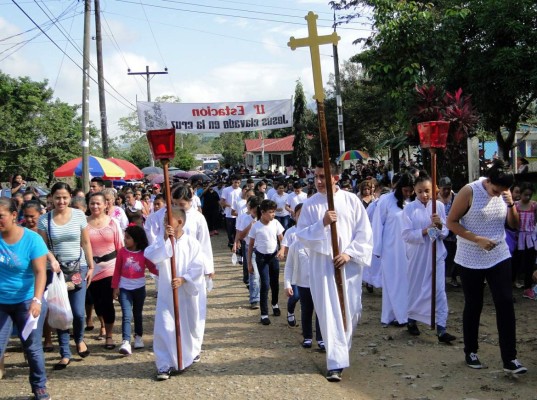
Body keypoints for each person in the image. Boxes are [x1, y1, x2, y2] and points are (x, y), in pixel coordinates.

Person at [447, 160, 527, 374]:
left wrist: (511, 204)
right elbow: (452, 222)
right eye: (495, 190)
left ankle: (510, 358)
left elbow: (514, 225)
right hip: (471, 255)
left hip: (499, 254)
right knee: (474, 304)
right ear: (488, 181)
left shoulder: (505, 194)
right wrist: (477, 239)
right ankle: (471, 350)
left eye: (503, 190)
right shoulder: (469, 191)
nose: (497, 194)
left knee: (505, 302)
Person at [296, 162, 373, 382]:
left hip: (348, 265)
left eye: (323, 177)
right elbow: (301, 236)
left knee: (352, 310)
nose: (319, 181)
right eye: (316, 176)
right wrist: (322, 223)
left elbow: (364, 232)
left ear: (335, 178)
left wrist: (349, 253)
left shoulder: (351, 201)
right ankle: (335, 362)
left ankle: (342, 348)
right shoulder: (310, 205)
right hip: (323, 266)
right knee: (329, 311)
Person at [144, 207, 205, 380]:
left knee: (187, 325)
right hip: (166, 292)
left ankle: (186, 356)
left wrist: (184, 278)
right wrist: (164, 240)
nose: (164, 223)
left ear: (179, 221)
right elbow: (151, 255)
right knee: (164, 325)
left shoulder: (192, 243)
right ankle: (164, 364)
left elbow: (198, 265)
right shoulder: (162, 240)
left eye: (167, 220)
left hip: (185, 293)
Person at [38, 182, 93, 370]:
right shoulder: (44, 220)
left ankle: (79, 339)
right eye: (57, 197)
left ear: (70, 197)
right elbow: (42, 247)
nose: (61, 201)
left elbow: (85, 241)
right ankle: (64, 353)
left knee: (78, 312)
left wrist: (91, 265)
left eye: (64, 197)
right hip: (56, 272)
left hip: (79, 268)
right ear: (51, 198)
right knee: (60, 310)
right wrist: (52, 260)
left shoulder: (78, 215)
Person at [0, 197, 50, 400]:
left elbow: (40, 273)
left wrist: (37, 301)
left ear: (13, 216)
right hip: (2, 302)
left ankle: (40, 388)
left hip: (27, 301)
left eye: (0, 216)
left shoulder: (32, 239)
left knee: (32, 348)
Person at [401, 172, 456, 342]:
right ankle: (412, 319)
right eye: (419, 191)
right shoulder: (409, 209)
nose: (424, 195)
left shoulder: (438, 206)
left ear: (433, 190)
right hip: (418, 255)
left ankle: (441, 327)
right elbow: (407, 234)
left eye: (427, 191)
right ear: (414, 192)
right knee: (417, 288)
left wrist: (439, 226)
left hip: (436, 253)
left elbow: (445, 232)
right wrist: (427, 230)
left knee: (439, 290)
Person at [372, 173, 414, 327]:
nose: (408, 194)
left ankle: (397, 315)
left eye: (410, 191)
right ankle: (397, 316)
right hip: (390, 248)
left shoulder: (412, 202)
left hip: (408, 248)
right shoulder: (386, 201)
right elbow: (378, 224)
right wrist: (377, 248)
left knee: (405, 281)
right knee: (392, 281)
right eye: (405, 191)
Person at [112, 225, 158, 355]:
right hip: (124, 288)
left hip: (139, 288)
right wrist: (115, 287)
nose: (125, 240)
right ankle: (126, 341)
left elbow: (152, 268)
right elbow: (117, 270)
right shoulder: (121, 252)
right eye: (124, 237)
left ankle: (138, 336)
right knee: (127, 315)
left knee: (137, 313)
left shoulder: (144, 253)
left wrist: (165, 273)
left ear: (136, 240)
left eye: (128, 237)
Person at [284, 203, 325, 349]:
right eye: (300, 214)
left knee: (321, 311)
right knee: (306, 310)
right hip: (303, 283)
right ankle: (307, 336)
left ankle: (321, 338)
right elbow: (289, 266)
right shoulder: (296, 244)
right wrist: (288, 284)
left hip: (319, 283)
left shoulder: (322, 242)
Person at [87, 192, 123, 350]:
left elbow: (120, 247)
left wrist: (122, 271)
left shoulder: (113, 223)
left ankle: (109, 335)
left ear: (105, 205)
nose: (95, 206)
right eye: (92, 203)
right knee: (97, 303)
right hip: (92, 269)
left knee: (107, 302)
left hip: (111, 266)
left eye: (98, 203)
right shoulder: (83, 223)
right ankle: (101, 324)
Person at [247, 200, 284, 326]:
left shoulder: (276, 223)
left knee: (275, 283)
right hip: (261, 258)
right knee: (265, 284)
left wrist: (282, 250)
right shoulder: (256, 226)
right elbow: (250, 245)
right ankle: (264, 314)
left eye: (274, 212)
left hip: (273, 256)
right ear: (262, 212)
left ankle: (275, 304)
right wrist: (249, 264)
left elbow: (282, 240)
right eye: (270, 212)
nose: (273, 214)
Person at [233, 196, 261, 309]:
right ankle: (254, 299)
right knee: (254, 273)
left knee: (263, 276)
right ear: (250, 209)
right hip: (250, 247)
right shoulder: (245, 218)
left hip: (263, 249)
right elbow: (241, 235)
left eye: (257, 211)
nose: (256, 213)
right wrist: (251, 225)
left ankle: (262, 296)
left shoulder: (265, 218)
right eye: (254, 211)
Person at [511, 182, 537, 300]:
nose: (527, 197)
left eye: (530, 195)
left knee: (529, 264)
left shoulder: (534, 206)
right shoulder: (515, 206)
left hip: (530, 239)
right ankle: (509, 287)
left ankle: (527, 288)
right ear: (520, 194)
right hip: (518, 237)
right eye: (525, 195)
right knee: (515, 263)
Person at [437, 176, 459, 287]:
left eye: (448, 188)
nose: (446, 191)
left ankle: (453, 277)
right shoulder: (434, 200)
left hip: (454, 233)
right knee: (442, 256)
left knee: (454, 256)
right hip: (440, 234)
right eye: (444, 188)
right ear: (439, 188)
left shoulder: (457, 197)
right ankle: (442, 279)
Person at [220, 175, 242, 249]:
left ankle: (237, 244)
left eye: (238, 183)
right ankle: (231, 243)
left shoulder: (241, 191)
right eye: (235, 182)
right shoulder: (226, 190)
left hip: (238, 214)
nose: (236, 184)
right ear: (232, 181)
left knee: (237, 230)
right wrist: (229, 205)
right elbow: (222, 202)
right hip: (229, 214)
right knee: (230, 231)